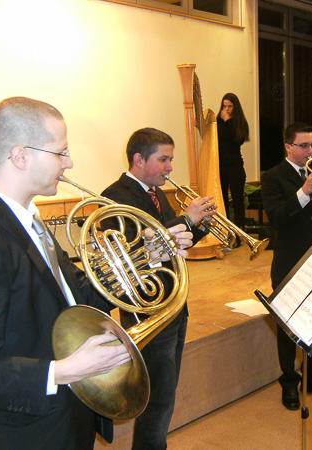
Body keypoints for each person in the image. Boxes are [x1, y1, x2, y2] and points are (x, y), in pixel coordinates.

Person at [0, 97, 137, 449]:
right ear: (20, 156)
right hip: (31, 434)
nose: (69, 163)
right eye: (60, 152)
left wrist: (141, 262)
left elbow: (70, 301)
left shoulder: (25, 215)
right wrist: (63, 371)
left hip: (68, 414)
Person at [101, 127, 215, 450]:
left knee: (166, 392)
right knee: (158, 400)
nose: (170, 167)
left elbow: (174, 245)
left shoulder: (156, 193)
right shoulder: (115, 197)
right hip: (147, 309)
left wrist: (200, 225)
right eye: (163, 159)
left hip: (173, 304)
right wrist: (187, 219)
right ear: (139, 159)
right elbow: (135, 252)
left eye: (170, 159)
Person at [261, 122, 312, 411]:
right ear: (288, 147)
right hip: (288, 261)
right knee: (287, 329)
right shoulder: (272, 177)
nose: (310, 151)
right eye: (304, 145)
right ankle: (289, 384)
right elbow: (276, 218)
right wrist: (304, 192)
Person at [217, 93, 250, 233]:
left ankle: (239, 232)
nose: (226, 109)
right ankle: (226, 231)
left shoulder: (239, 123)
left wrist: (229, 121)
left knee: (238, 201)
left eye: (230, 106)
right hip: (220, 166)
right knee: (222, 201)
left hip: (235, 166)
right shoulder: (217, 123)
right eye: (224, 106)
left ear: (235, 107)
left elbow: (238, 139)